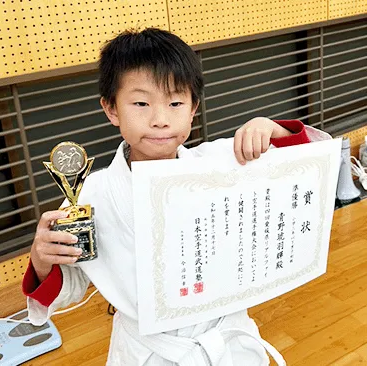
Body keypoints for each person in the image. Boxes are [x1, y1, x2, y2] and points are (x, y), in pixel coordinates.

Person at [22, 28, 330, 365]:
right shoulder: (89, 196)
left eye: (175, 102)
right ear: (111, 109)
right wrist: (42, 260)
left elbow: (311, 165)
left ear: (193, 108)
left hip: (226, 342)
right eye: (141, 103)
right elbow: (70, 287)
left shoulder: (222, 163)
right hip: (150, 352)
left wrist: (273, 130)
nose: (160, 120)